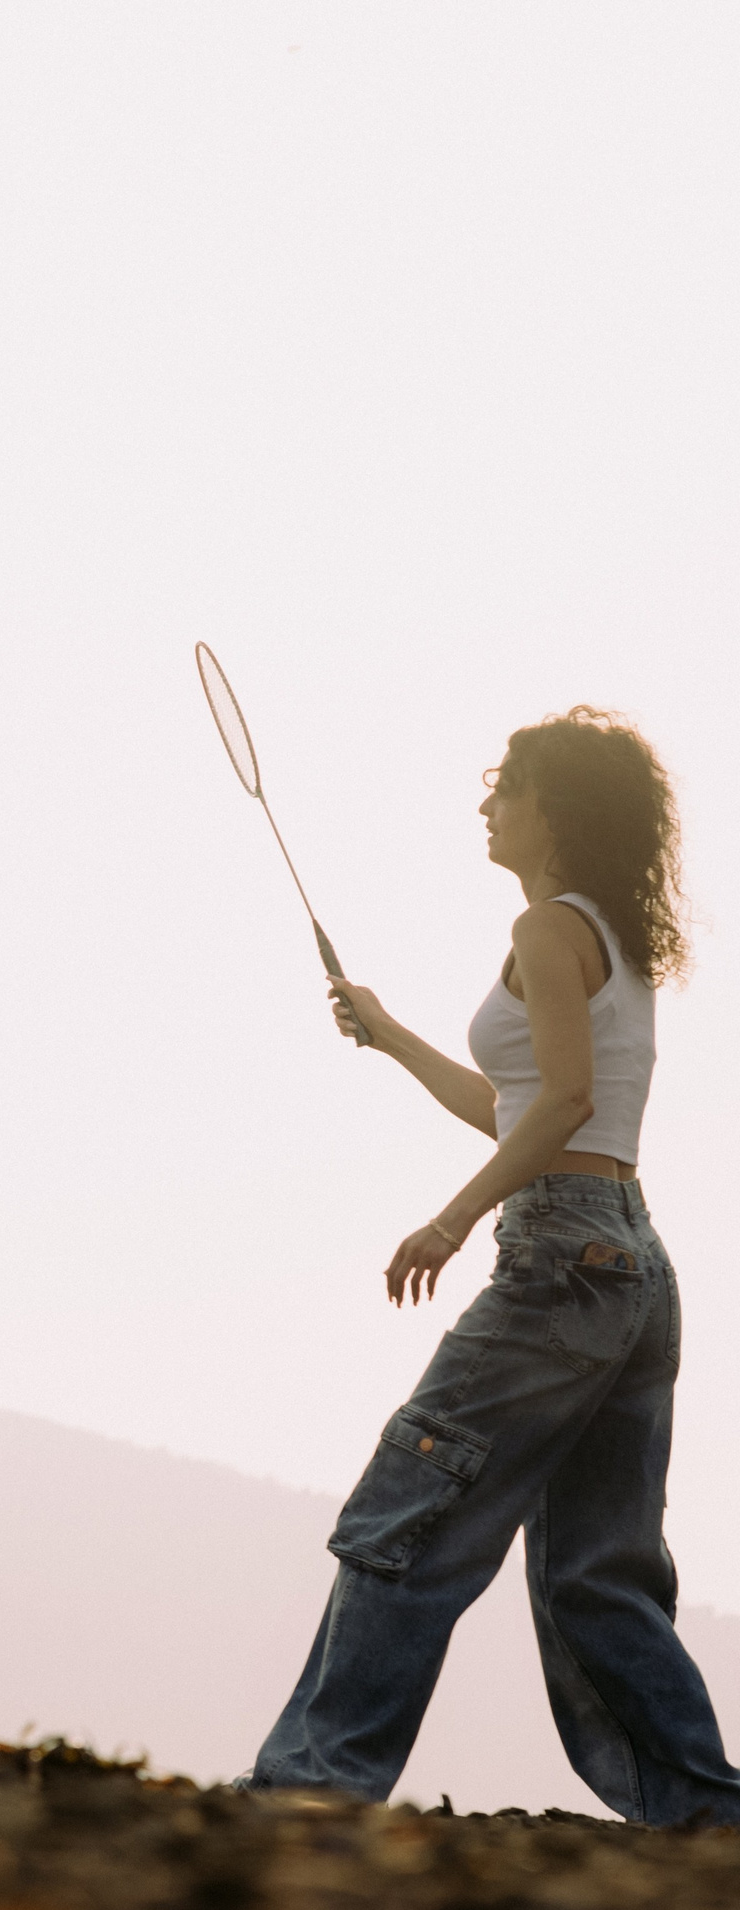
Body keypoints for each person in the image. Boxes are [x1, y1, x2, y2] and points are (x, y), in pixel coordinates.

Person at [244, 706, 740, 1824]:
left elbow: (556, 1105)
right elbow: (524, 1105)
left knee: (401, 1518)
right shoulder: (602, 930)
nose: (486, 803)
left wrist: (450, 1220)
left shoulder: (543, 932)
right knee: (598, 1580)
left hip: (559, 1259)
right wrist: (390, 1036)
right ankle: (710, 1818)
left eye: (502, 786)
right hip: (629, 1265)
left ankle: (310, 1789)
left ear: (550, 807)